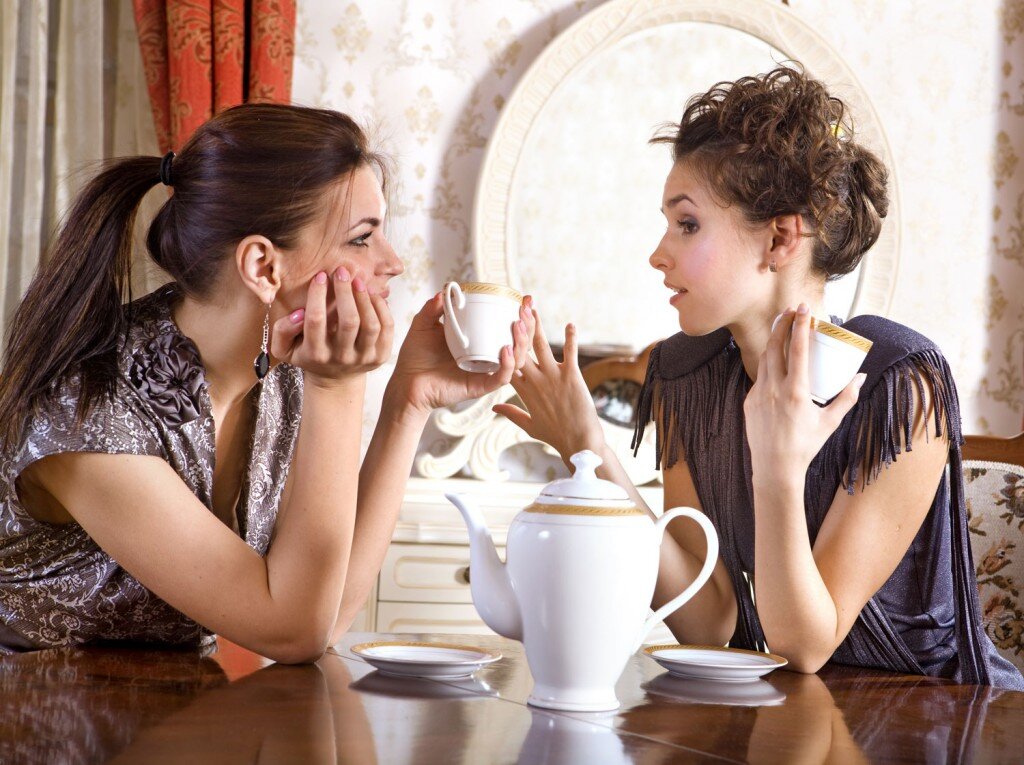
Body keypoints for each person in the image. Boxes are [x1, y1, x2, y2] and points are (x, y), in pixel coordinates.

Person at [497, 65, 1024, 689]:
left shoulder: (900, 387)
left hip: (937, 716)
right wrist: (589, 448)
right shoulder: (687, 378)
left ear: (780, 239)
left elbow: (803, 645)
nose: (658, 254)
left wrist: (778, 466)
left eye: (687, 224)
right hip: (787, 717)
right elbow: (706, 618)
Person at [0, 103, 533, 662]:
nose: (394, 262)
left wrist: (409, 399)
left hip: (174, 707)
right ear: (262, 267)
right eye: (362, 239)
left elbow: (327, 615)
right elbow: (294, 633)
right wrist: (338, 386)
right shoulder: (90, 411)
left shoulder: (281, 374)